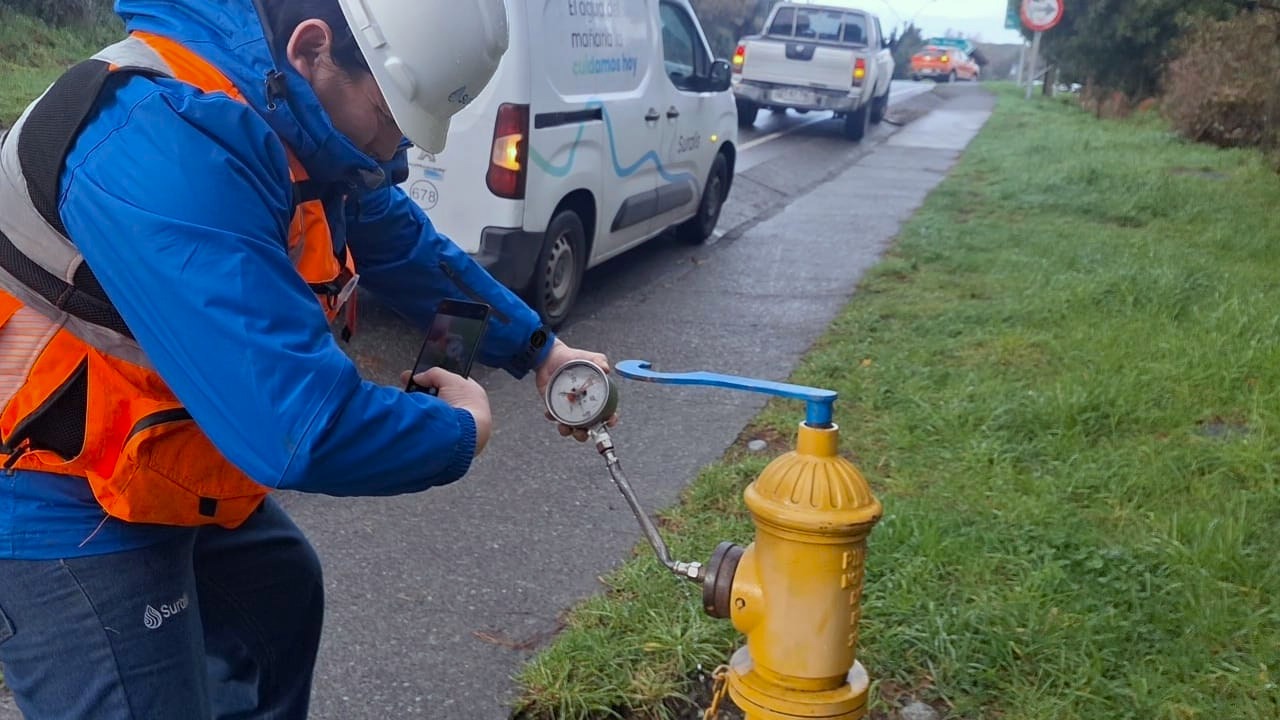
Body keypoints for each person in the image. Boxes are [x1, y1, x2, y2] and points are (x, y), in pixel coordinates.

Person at [0, 0, 614, 717]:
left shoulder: (298, 119)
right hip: (50, 478)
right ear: (314, 47)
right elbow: (299, 428)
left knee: (280, 592)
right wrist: (460, 432)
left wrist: (541, 351)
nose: (393, 150)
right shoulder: (163, 148)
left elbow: (405, 248)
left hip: (162, 441)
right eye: (390, 117)